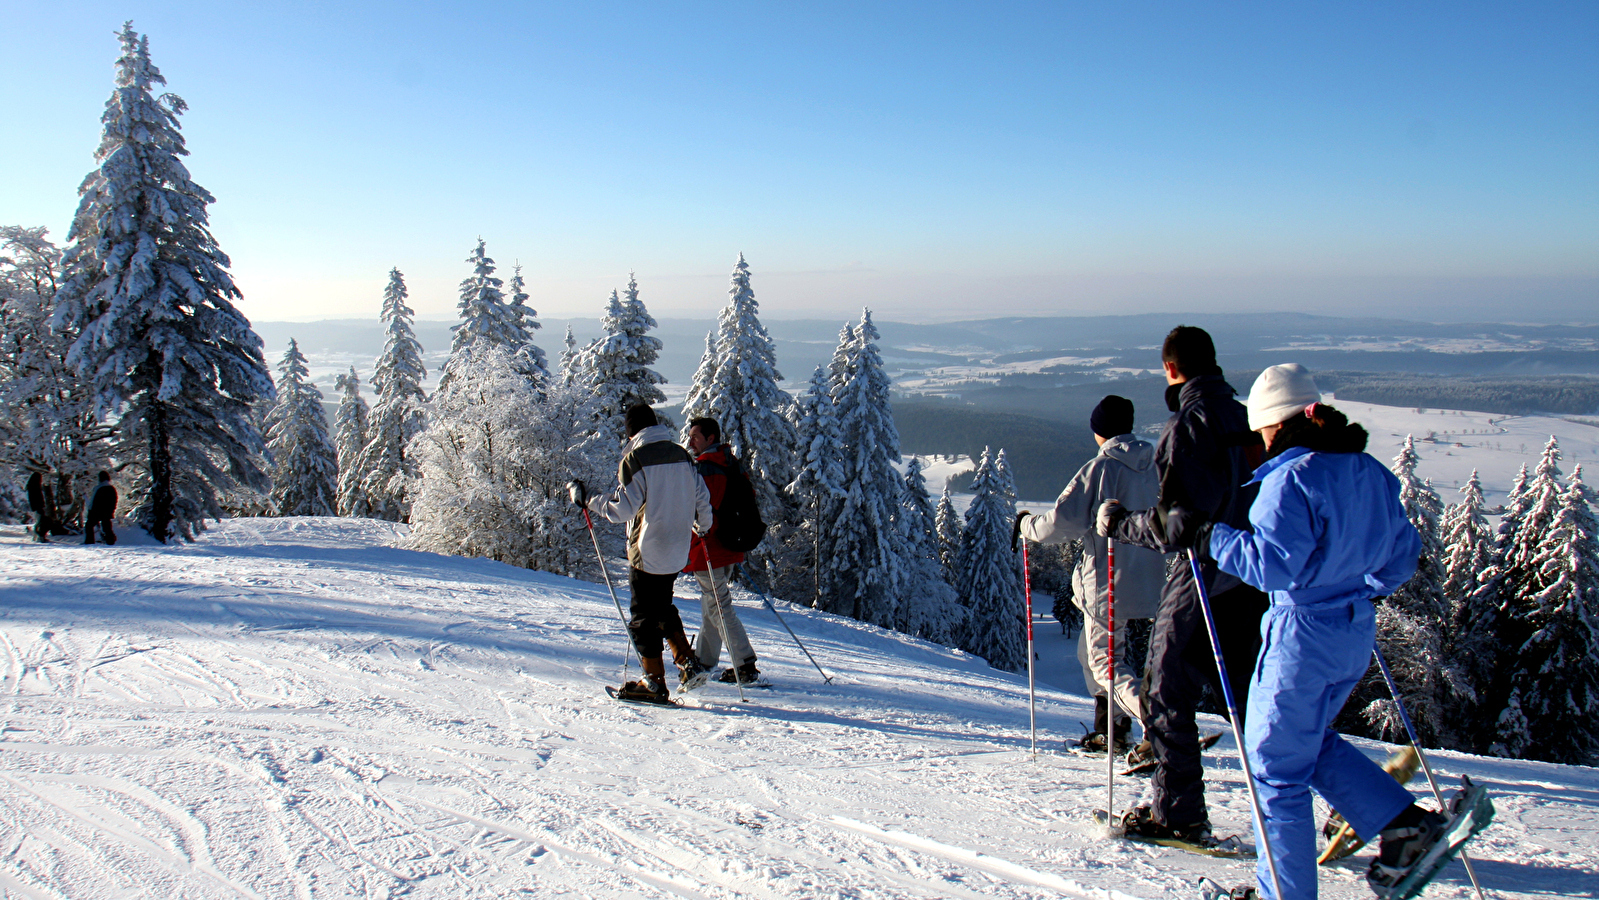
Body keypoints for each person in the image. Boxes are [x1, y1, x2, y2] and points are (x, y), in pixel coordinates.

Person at [1199, 364, 1446, 900]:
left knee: (1273, 770)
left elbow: (1272, 567)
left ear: (1273, 425)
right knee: (1303, 745)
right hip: (1352, 630)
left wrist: (1209, 536)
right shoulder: (1368, 470)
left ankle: (1284, 894)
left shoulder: (1288, 479)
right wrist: (1351, 585)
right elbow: (1400, 559)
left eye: (1260, 431)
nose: (1259, 442)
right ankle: (1404, 826)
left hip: (1301, 638)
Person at [1097, 325, 1270, 845]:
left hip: (1203, 576)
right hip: (1253, 577)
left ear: (1171, 369)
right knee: (1255, 702)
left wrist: (1119, 523)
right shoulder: (1247, 419)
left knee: (1166, 691)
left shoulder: (1189, 424)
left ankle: (1178, 813)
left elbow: (1176, 526)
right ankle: (1333, 797)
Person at [1016, 395, 1163, 753]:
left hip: (1108, 581)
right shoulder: (1157, 464)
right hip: (1152, 580)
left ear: (1099, 431)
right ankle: (1110, 730)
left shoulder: (1100, 469)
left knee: (1104, 664)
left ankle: (1159, 724)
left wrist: (1025, 526)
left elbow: (1061, 523)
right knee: (1091, 655)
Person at [573, 404, 715, 703]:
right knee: (661, 606)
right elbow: (702, 498)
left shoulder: (635, 459)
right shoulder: (683, 456)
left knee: (642, 616)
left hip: (647, 549)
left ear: (632, 431)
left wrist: (589, 500)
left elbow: (622, 510)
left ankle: (653, 682)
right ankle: (687, 662)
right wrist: (702, 526)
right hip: (678, 548)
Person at [683, 417, 762, 685]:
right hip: (727, 546)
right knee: (712, 604)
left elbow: (703, 511)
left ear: (711, 438)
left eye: (696, 436)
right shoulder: (728, 462)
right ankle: (704, 661)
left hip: (711, 548)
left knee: (718, 606)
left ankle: (745, 663)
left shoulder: (708, 468)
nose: (691, 440)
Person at [84, 471, 118, 545]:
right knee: (107, 527)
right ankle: (111, 541)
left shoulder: (98, 488)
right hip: (107, 512)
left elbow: (94, 501)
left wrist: (91, 511)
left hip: (96, 512)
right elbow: (114, 501)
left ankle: (89, 541)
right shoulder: (112, 489)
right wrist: (111, 511)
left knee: (89, 526)